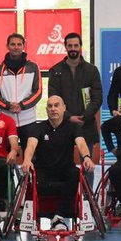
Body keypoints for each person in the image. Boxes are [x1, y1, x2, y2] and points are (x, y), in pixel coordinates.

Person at [22, 96, 95, 228]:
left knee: (75, 173)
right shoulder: (37, 128)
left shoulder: (73, 127)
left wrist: (87, 157)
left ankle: (59, 216)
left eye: (56, 105)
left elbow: (81, 143)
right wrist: (27, 160)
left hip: (65, 171)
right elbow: (31, 145)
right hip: (43, 171)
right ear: (46, 109)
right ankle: (54, 218)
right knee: (35, 177)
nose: (53, 109)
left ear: (64, 108)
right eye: (50, 106)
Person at [46, 32, 103, 149]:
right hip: (62, 122)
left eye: (76, 45)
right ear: (65, 47)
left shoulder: (91, 70)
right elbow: (53, 98)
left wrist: (84, 117)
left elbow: (97, 98)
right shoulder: (56, 70)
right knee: (62, 161)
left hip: (86, 123)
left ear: (80, 47)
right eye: (70, 46)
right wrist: (68, 117)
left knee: (87, 163)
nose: (73, 49)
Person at [0, 32, 43, 141]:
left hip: (29, 120)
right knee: (7, 155)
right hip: (6, 120)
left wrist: (22, 105)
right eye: (13, 44)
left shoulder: (33, 67)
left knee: (30, 155)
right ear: (7, 46)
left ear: (23, 46)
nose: (16, 47)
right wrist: (8, 106)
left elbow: (38, 92)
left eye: (19, 44)